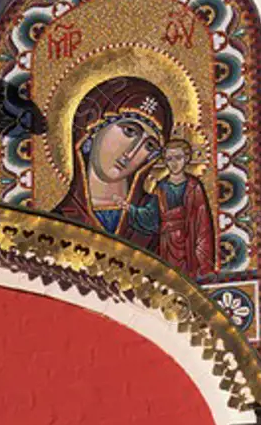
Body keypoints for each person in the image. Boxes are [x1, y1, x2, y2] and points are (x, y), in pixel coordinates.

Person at [54, 77, 173, 246]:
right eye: (129, 131)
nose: (132, 153)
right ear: (94, 126)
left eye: (149, 145)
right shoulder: (56, 221)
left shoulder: (152, 220)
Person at [119, 138, 215, 278]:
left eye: (178, 157)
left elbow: (202, 222)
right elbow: (151, 216)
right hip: (166, 242)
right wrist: (130, 208)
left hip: (188, 239)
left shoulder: (194, 187)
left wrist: (203, 258)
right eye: (169, 159)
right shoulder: (161, 186)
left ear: (187, 158)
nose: (174, 163)